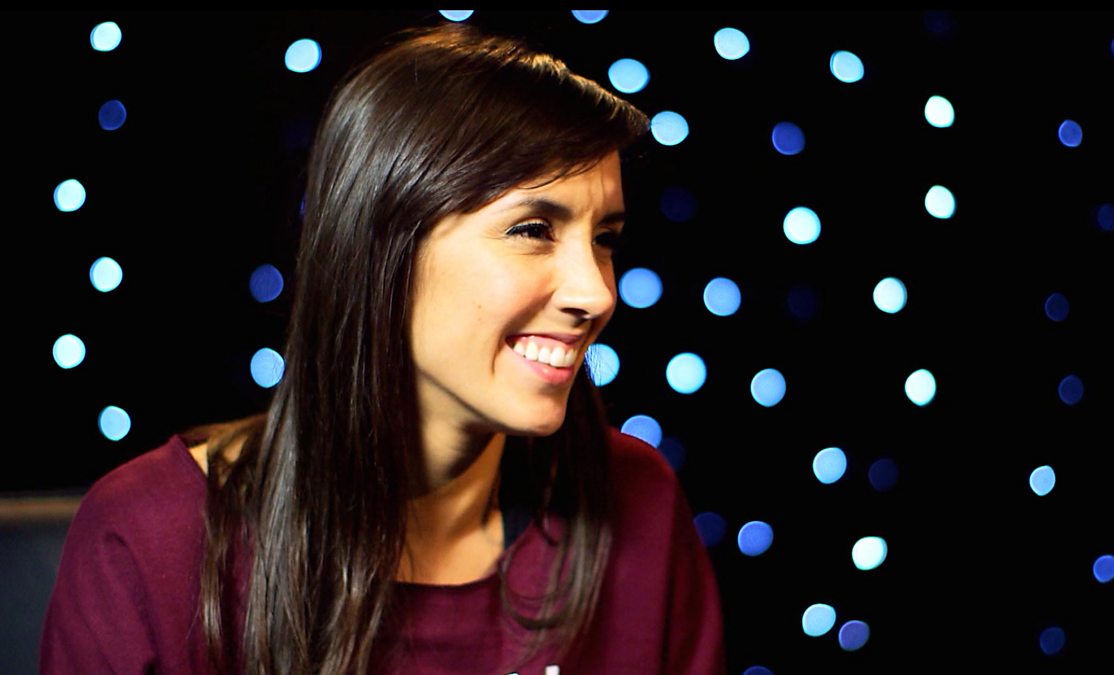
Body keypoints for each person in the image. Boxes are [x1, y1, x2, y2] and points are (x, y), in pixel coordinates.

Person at [39, 20, 726, 675]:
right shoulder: (150, 539)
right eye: (532, 230)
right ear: (381, 247)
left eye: (604, 239)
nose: (597, 293)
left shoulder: (639, 499)